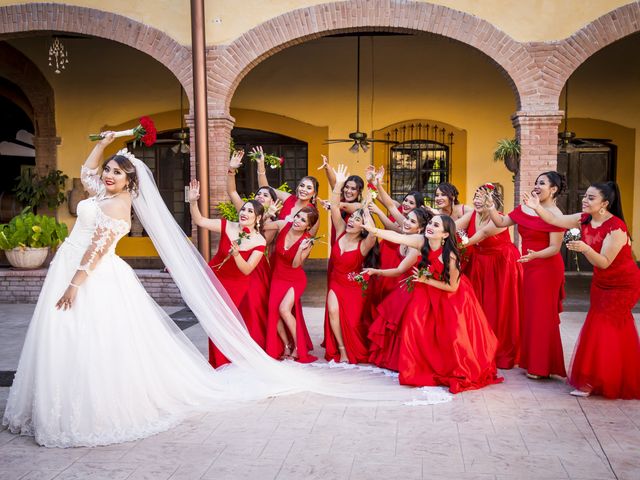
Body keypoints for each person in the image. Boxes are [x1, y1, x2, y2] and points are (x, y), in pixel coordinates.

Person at [3, 137, 452, 448]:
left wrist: (352, 195)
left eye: (117, 173)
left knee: (276, 318)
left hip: (270, 277)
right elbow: (207, 218)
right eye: (109, 173)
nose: (109, 177)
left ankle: (297, 351)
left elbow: (284, 239)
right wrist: (193, 197)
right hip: (215, 276)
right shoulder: (236, 222)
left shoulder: (267, 232)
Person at [523, 182, 640, 398]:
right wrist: (537, 207)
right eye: (585, 196)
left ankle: (594, 381)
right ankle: (602, 378)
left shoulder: (617, 229)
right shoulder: (584, 219)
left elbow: (604, 262)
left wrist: (585, 248)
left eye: (591, 198)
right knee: (603, 327)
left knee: (604, 327)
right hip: (601, 283)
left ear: (605, 204)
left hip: (623, 285)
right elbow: (556, 220)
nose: (584, 200)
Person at [365, 215, 502, 393]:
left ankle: (449, 366)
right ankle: (417, 366)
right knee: (414, 326)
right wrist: (373, 230)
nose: (430, 226)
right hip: (426, 291)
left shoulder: (451, 256)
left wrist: (425, 280)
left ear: (445, 234)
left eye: (436, 225)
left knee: (453, 337)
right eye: (430, 223)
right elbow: (398, 237)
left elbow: (452, 287)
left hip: (451, 297)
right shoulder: (422, 241)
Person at [486, 171, 567, 380]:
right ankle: (532, 361)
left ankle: (541, 366)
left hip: (547, 267)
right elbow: (501, 222)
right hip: (529, 265)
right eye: (536, 183)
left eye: (542, 183)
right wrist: (490, 206)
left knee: (542, 315)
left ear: (554, 189)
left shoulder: (556, 215)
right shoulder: (525, 208)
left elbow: (554, 248)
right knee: (530, 314)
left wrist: (534, 256)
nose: (537, 186)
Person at [188, 180, 267, 366]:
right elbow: (200, 221)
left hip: (236, 284)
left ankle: (225, 362)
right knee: (214, 321)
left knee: (226, 322)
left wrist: (237, 255)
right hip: (214, 278)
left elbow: (247, 269)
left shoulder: (259, 241)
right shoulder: (227, 226)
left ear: (258, 218)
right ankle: (216, 362)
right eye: (243, 209)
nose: (244, 213)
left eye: (250, 211)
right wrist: (192, 202)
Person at [455, 185, 523, 369]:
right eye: (476, 196)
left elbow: (478, 236)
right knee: (478, 305)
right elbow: (453, 227)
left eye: (483, 197)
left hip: (501, 265)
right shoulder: (471, 215)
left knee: (499, 308)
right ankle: (480, 346)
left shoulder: (498, 218)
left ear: (493, 201)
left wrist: (454, 243)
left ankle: (499, 350)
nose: (477, 200)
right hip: (479, 264)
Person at [363, 208, 431, 371]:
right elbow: (392, 212)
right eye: (407, 218)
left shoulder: (416, 246)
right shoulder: (405, 236)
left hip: (412, 289)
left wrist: (376, 271)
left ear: (420, 229)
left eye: (412, 221)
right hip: (401, 287)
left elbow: (400, 270)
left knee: (401, 324)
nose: (406, 222)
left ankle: (402, 360)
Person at [323, 165, 378, 364]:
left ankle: (356, 347)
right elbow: (335, 207)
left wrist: (365, 214)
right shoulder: (339, 231)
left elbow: (373, 233)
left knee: (354, 323)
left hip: (354, 286)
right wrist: (338, 183)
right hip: (336, 282)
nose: (351, 221)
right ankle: (342, 350)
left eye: (356, 220)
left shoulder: (364, 244)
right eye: (351, 219)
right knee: (333, 312)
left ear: (361, 225)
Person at [263, 207, 318, 362]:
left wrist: (300, 249)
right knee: (273, 312)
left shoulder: (308, 241)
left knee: (284, 309)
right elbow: (262, 226)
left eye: (302, 220)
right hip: (278, 277)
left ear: (308, 226)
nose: (297, 221)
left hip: (295, 279)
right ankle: (287, 345)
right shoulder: (282, 225)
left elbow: (295, 265)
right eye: (297, 216)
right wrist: (269, 214)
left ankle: (299, 347)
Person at [253, 146, 320, 235]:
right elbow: (265, 188)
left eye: (309, 188)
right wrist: (260, 164)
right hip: (273, 243)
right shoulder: (288, 198)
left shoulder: (313, 213)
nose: (304, 189)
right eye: (302, 186)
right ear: (298, 187)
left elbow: (309, 240)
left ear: (314, 193)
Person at [319, 154, 365, 245]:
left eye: (353, 189)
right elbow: (334, 183)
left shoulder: (359, 206)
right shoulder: (340, 198)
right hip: (335, 244)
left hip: (350, 247)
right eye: (346, 187)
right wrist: (327, 167)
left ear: (359, 192)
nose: (348, 191)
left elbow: (345, 206)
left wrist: (331, 205)